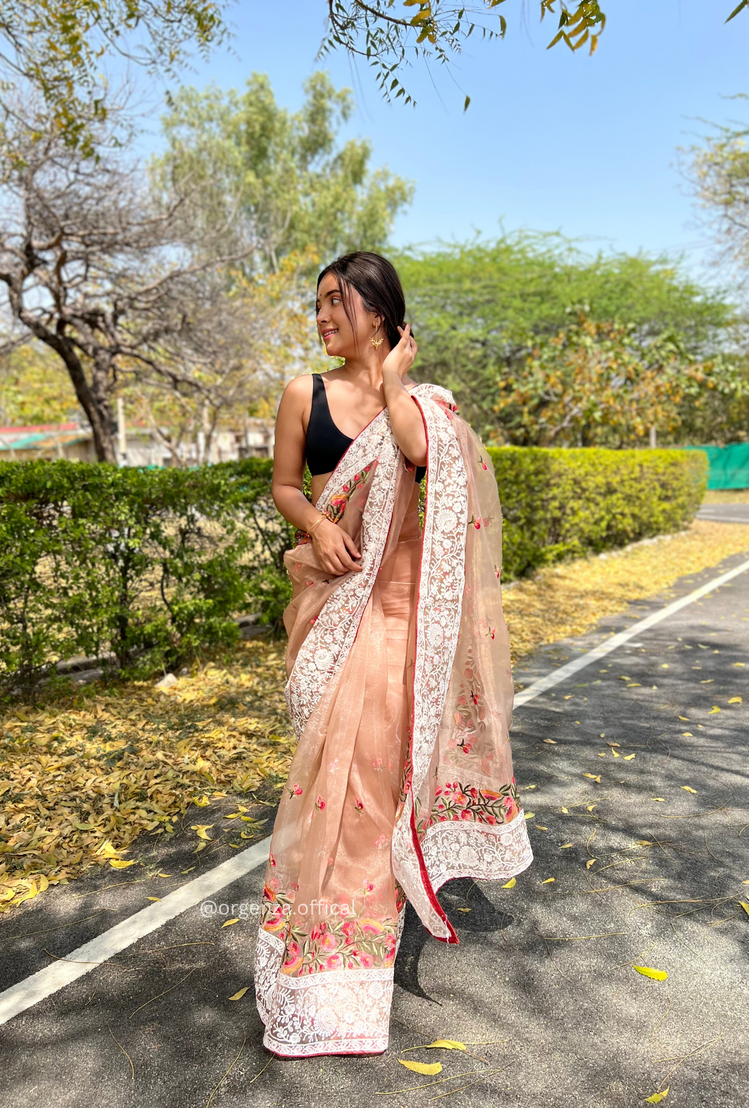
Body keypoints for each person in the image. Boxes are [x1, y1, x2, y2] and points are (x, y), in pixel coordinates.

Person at [253, 250, 532, 1058]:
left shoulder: (424, 405)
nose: (322, 316)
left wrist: (393, 381)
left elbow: (414, 449)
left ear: (378, 309)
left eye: (336, 301)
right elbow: (284, 484)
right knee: (340, 789)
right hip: (346, 612)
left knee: (377, 785)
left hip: (416, 622)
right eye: (318, 304)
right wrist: (317, 523)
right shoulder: (302, 393)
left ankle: (353, 967)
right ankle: (324, 970)